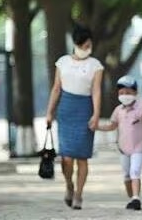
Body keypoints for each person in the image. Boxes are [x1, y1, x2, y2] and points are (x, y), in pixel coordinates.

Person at [45, 25, 104, 210]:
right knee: (66, 157)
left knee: (82, 157)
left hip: (85, 109)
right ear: (76, 44)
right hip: (66, 110)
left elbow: (96, 91)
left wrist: (96, 114)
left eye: (89, 45)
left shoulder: (95, 65)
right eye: (84, 45)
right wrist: (49, 112)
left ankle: (79, 194)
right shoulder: (62, 62)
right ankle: (69, 185)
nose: (87, 48)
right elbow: (56, 88)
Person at [96, 75, 142, 210]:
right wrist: (97, 127)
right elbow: (112, 126)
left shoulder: (141, 108)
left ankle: (136, 198)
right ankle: (131, 197)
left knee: (135, 171)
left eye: (128, 92)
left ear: (135, 93)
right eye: (121, 93)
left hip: (137, 148)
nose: (125, 95)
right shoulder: (118, 110)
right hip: (123, 149)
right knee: (127, 175)